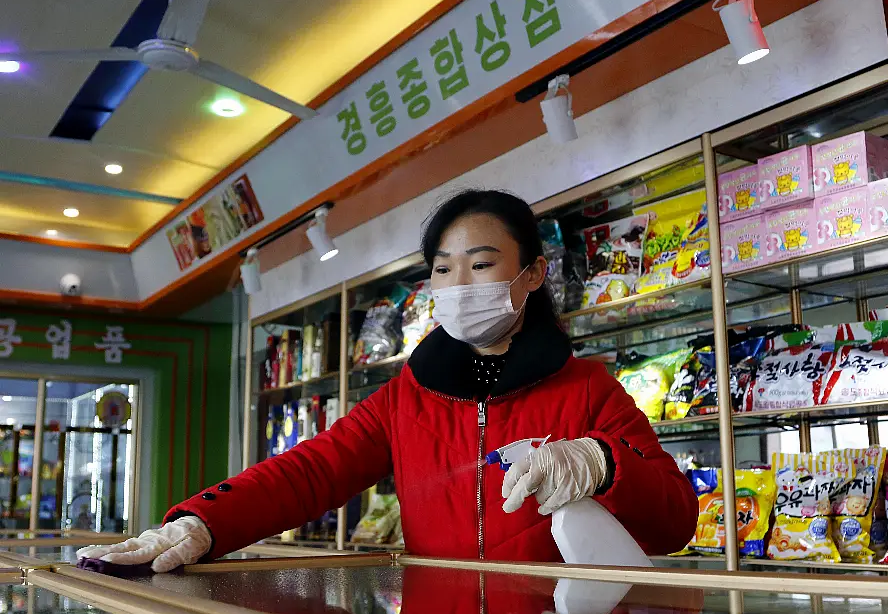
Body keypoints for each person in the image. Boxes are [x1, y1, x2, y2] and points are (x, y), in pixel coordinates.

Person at [78, 189, 698, 572]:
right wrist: (200, 523)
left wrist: (603, 462)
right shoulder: (408, 395)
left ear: (533, 274)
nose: (459, 286)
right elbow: (310, 471)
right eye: (443, 269)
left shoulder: (587, 387)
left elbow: (675, 521)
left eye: (482, 265)